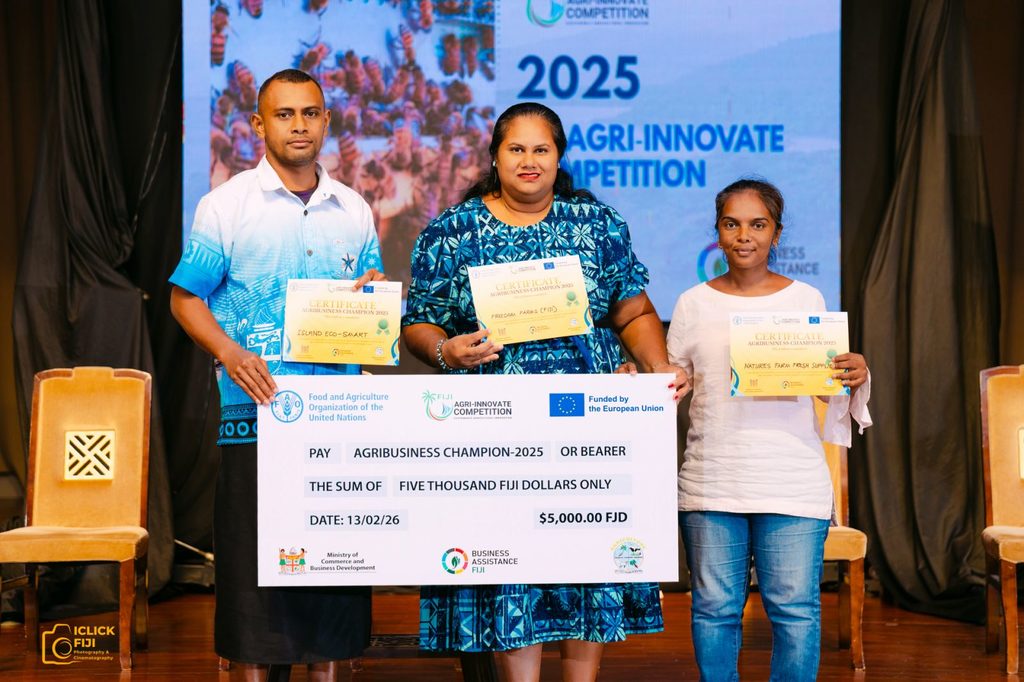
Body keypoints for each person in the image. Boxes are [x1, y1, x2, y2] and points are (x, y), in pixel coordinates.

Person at [402, 101, 690, 682]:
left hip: (587, 423)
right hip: (493, 426)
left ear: (559, 158)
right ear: (494, 157)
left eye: (542, 150)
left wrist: (661, 366)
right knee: (513, 562)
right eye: (517, 149)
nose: (529, 161)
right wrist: (446, 351)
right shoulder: (451, 230)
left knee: (585, 556)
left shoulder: (598, 224)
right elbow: (419, 323)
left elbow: (631, 308)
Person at [169, 69, 384, 682]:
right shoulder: (227, 204)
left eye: (310, 113)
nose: (299, 125)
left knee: (332, 574)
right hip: (256, 415)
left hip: (337, 420)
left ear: (327, 121)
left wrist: (370, 301)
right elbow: (185, 299)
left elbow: (367, 298)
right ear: (259, 125)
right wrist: (231, 353)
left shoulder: (354, 209)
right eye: (284, 115)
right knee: (253, 578)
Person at [666, 179, 872, 682]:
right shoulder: (693, 303)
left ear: (776, 233)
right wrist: (642, 383)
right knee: (714, 610)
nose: (744, 236)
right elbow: (675, 379)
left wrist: (855, 374)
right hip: (713, 480)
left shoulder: (807, 297)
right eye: (732, 224)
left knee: (795, 611)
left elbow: (827, 387)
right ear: (717, 231)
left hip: (790, 480)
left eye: (757, 225)